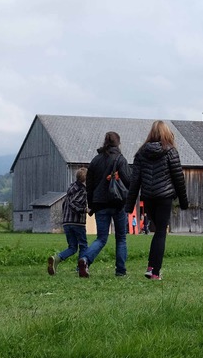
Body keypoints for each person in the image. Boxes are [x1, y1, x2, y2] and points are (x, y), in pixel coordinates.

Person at [125, 120, 189, 280]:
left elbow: (135, 181)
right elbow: (178, 178)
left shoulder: (141, 153)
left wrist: (129, 204)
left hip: (148, 197)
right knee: (160, 232)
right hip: (165, 196)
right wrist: (183, 201)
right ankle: (154, 271)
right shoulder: (170, 151)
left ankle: (151, 267)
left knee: (156, 231)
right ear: (167, 133)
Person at [78, 131, 131, 278]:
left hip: (99, 204)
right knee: (121, 238)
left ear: (104, 142)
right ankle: (120, 270)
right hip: (118, 203)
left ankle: (85, 259)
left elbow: (89, 185)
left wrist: (92, 204)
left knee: (101, 238)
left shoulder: (95, 160)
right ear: (118, 143)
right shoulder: (120, 159)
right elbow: (129, 181)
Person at [48, 167, 89, 275]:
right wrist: (85, 210)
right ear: (85, 180)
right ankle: (80, 268)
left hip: (66, 223)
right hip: (77, 223)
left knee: (72, 247)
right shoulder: (82, 191)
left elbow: (65, 204)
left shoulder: (71, 189)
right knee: (83, 245)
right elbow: (74, 204)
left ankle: (56, 258)